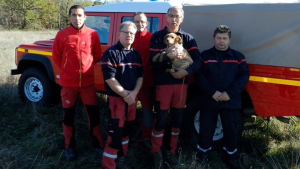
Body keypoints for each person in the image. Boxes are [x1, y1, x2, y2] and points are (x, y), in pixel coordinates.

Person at [149, 6, 201, 169]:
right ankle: (156, 152)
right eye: (171, 16)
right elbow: (152, 60)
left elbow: (198, 61)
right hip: (163, 85)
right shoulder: (157, 37)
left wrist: (186, 71)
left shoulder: (188, 38)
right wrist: (167, 57)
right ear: (166, 17)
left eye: (177, 16)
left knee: (177, 120)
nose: (174, 19)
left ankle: (171, 151)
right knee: (161, 119)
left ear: (182, 18)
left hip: (181, 86)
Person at [52, 5, 104, 161]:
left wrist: (85, 70)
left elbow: (96, 55)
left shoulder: (93, 34)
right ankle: (69, 147)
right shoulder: (62, 34)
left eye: (80, 15)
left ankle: (97, 145)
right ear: (69, 17)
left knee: (93, 116)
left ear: (85, 17)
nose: (77, 18)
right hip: (68, 85)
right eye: (74, 15)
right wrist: (68, 72)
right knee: (68, 116)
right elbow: (57, 57)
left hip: (87, 84)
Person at [194, 25, 249, 169]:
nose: (221, 41)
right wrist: (212, 92)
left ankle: (231, 157)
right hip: (209, 100)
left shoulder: (239, 57)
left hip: (230, 101)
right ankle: (202, 155)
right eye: (218, 38)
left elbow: (243, 77)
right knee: (206, 129)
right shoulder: (205, 56)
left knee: (231, 130)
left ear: (229, 40)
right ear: (214, 38)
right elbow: (199, 76)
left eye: (224, 38)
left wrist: (229, 94)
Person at [100, 21, 143, 169]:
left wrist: (134, 94)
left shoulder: (136, 54)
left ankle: (123, 156)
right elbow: (109, 79)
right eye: (125, 32)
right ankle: (108, 165)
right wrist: (126, 94)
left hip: (132, 99)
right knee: (115, 134)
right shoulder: (111, 53)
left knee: (127, 131)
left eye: (132, 33)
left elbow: (140, 77)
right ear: (119, 33)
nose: (129, 35)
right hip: (117, 101)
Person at [131, 12, 154, 149]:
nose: (139, 24)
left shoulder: (153, 38)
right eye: (136, 21)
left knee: (147, 110)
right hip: (129, 83)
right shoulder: (128, 37)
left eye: (142, 21)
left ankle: (146, 136)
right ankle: (129, 134)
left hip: (147, 83)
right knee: (129, 109)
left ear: (147, 23)